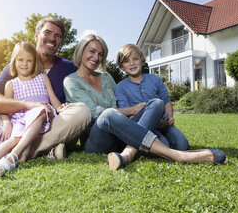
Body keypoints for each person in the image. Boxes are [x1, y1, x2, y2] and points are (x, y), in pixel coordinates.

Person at [63, 34, 226, 170]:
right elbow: (95, 113)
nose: (96, 57)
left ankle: (129, 152)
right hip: (97, 140)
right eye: (92, 51)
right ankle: (178, 156)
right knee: (107, 114)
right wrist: (133, 110)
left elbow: (121, 106)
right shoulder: (71, 81)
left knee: (155, 103)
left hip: (120, 135)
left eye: (100, 54)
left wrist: (151, 114)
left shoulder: (106, 78)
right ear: (81, 51)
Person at [0, 17, 90, 162]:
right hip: (18, 124)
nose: (52, 38)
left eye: (58, 36)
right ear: (36, 35)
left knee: (82, 111)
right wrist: (27, 105)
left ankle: (1, 151)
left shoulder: (69, 68)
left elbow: (81, 93)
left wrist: (63, 108)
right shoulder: (18, 64)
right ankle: (45, 150)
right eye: (47, 32)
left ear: (61, 41)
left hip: (50, 125)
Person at [0, 42, 67, 177]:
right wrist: (6, 122)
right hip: (21, 120)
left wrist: (60, 108)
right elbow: (5, 107)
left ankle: (12, 157)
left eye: (29, 60)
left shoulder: (42, 78)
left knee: (40, 110)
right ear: (14, 61)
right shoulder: (11, 84)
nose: (25, 64)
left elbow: (53, 98)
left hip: (42, 118)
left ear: (35, 62)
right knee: (12, 140)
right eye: (20, 60)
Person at [115, 44, 189, 155]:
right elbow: (127, 114)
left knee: (183, 145)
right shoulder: (120, 87)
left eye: (135, 59)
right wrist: (151, 119)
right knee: (164, 145)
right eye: (126, 61)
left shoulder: (155, 79)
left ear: (142, 61)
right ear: (121, 67)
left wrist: (169, 116)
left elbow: (166, 100)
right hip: (141, 125)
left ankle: (143, 145)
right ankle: (140, 142)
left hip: (163, 123)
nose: (132, 63)